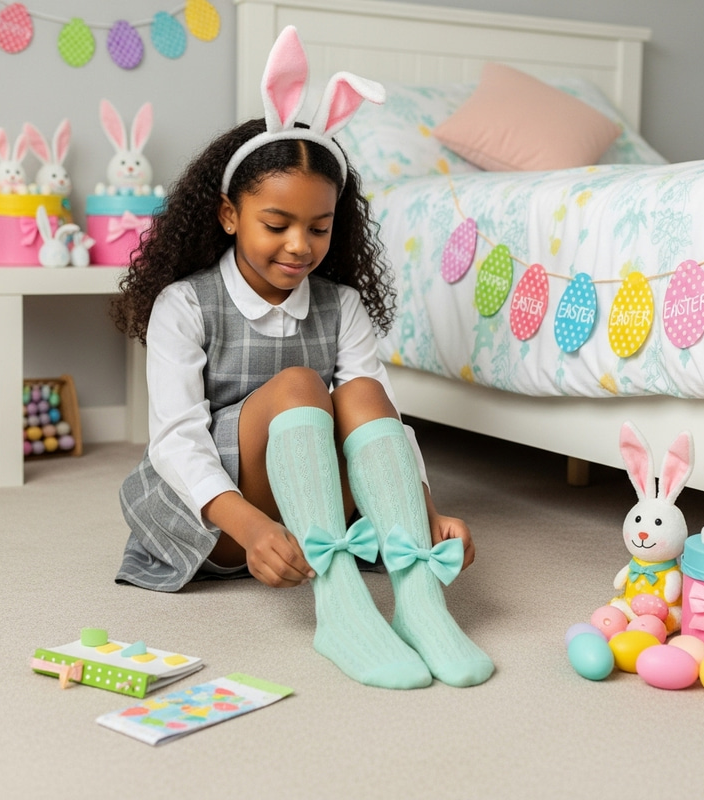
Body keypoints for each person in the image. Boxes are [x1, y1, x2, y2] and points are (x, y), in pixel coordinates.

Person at [111, 26, 493, 690]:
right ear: (230, 214)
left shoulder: (339, 305)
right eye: (276, 224)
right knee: (298, 385)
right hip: (227, 517)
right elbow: (177, 442)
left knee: (366, 398)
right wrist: (252, 527)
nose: (298, 246)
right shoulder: (187, 304)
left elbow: (383, 423)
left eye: (318, 228)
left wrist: (425, 515)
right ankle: (340, 606)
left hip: (316, 502)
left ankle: (419, 596)